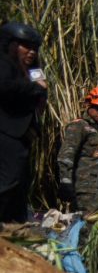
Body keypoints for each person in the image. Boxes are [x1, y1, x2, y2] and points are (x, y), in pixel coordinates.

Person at [0, 22, 47, 223]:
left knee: (20, 183)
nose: (31, 52)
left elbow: (41, 89)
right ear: (9, 44)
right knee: (9, 180)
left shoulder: (32, 70)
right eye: (26, 46)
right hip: (5, 132)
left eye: (35, 48)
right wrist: (35, 88)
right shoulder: (3, 64)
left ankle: (15, 226)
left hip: (22, 136)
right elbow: (5, 87)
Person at [56, 86, 98, 212]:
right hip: (85, 191)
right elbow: (66, 156)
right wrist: (65, 182)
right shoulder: (79, 126)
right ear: (89, 105)